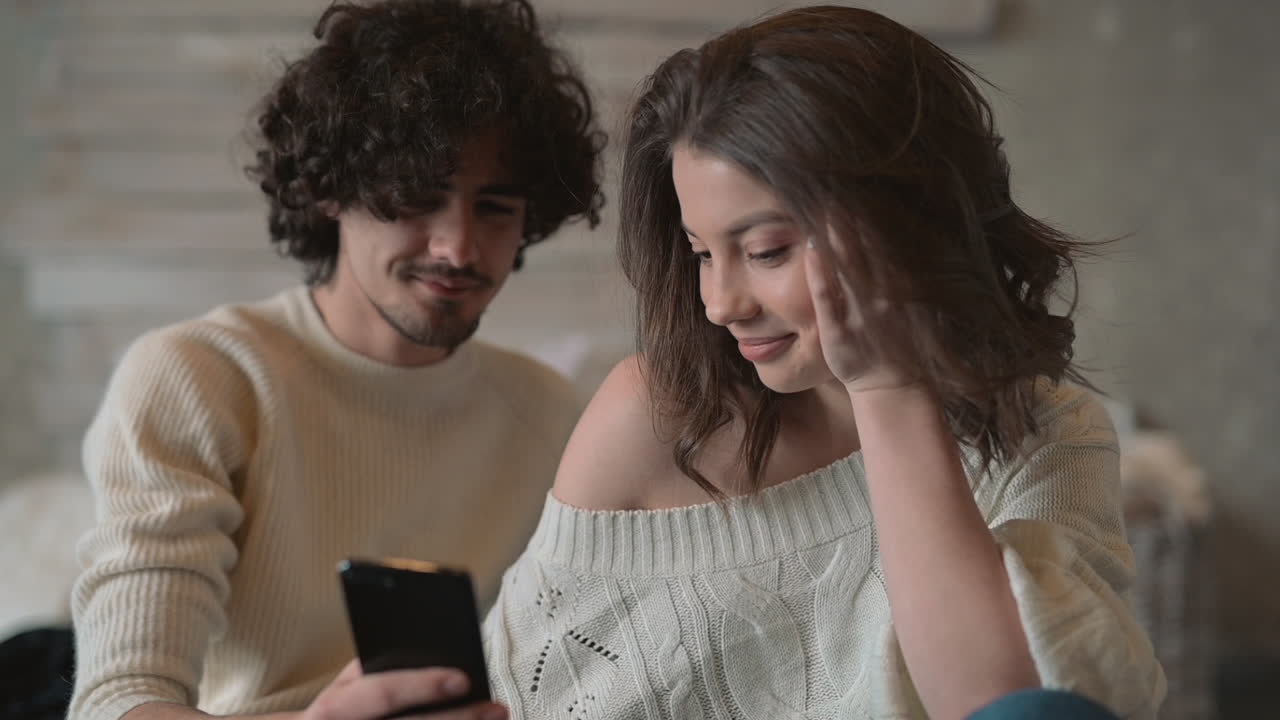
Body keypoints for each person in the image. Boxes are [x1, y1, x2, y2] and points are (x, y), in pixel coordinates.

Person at [480, 5, 1166, 720]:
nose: (721, 303)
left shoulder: (1047, 432)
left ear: (904, 219)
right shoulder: (656, 416)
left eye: (767, 250)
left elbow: (1012, 706)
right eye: (702, 253)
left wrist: (887, 385)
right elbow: (517, 696)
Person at [67, 1, 603, 719]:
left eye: (496, 207)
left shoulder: (553, 414)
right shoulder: (200, 377)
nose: (457, 248)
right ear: (329, 190)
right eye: (417, 196)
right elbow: (118, 701)